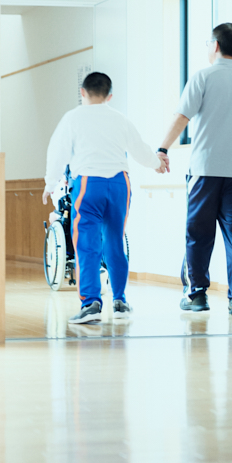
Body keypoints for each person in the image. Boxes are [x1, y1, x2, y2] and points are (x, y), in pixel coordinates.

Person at [156, 22, 232, 316]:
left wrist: (163, 148)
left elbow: (181, 117)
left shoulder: (203, 77)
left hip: (204, 171)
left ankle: (197, 295)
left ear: (216, 45)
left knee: (199, 234)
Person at [44, 71, 165, 325]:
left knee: (87, 243)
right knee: (115, 240)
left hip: (89, 183)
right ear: (110, 96)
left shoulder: (73, 118)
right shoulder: (119, 118)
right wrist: (157, 163)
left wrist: (50, 183)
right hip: (120, 184)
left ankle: (91, 303)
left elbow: (58, 152)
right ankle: (120, 300)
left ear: (82, 93)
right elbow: (140, 148)